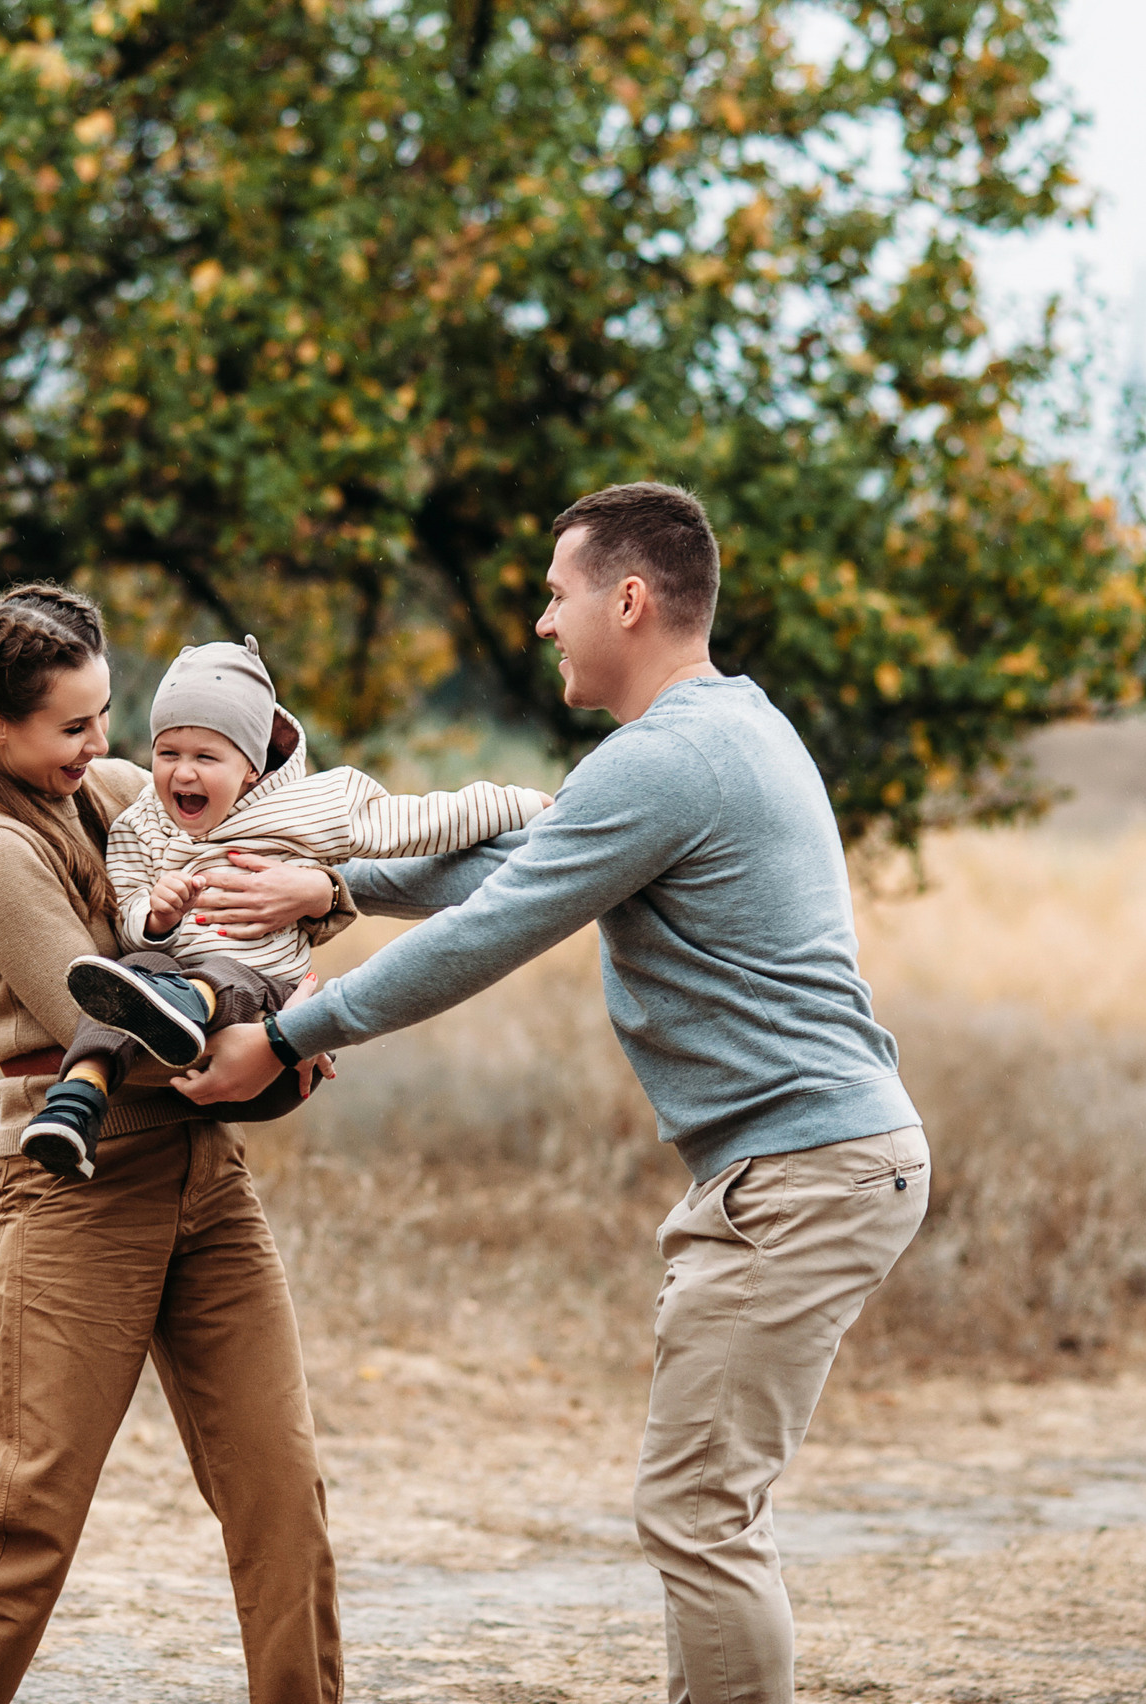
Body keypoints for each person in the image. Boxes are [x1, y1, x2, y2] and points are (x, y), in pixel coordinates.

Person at [175, 483, 931, 1704]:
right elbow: (534, 860)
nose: (539, 622)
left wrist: (292, 1032)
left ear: (626, 600)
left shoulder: (671, 757)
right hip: (804, 1165)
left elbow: (494, 929)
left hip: (802, 1173)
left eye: (555, 593)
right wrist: (335, 889)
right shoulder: (718, 733)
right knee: (705, 1512)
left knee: (696, 1512)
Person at [0, 585, 348, 1704]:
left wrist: (318, 902)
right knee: (32, 1514)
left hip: (206, 1174)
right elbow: (91, 1026)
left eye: (105, 717)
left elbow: (259, 838)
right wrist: (278, 1040)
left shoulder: (111, 792)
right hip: (79, 1184)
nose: (100, 749)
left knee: (280, 1491)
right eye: (70, 727)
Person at [21, 632, 551, 1180]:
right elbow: (128, 910)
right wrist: (153, 918)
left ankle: (185, 1004)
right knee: (130, 974)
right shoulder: (142, 823)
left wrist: (525, 806)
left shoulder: (310, 807)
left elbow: (421, 819)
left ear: (251, 765)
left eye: (207, 756)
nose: (182, 772)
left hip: (270, 1012)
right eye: (167, 753)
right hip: (183, 1017)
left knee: (227, 972)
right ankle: (75, 1106)